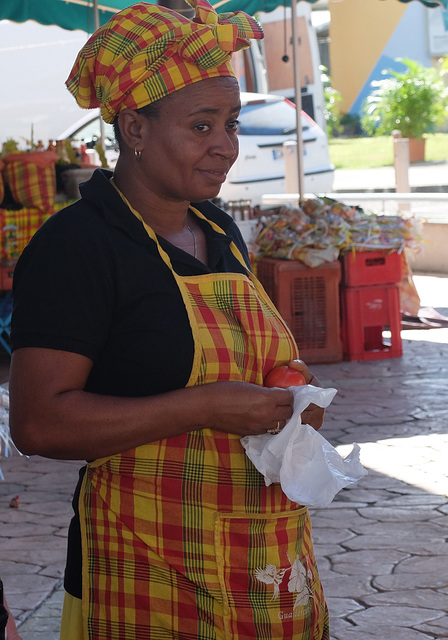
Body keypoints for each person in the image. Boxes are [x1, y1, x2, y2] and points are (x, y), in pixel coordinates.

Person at [8, 2, 329, 638]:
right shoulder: (79, 246)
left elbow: (247, 363)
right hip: (141, 565)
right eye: (201, 126)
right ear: (135, 128)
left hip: (261, 562)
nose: (226, 147)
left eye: (232, 124)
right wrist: (203, 405)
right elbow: (39, 423)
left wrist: (289, 402)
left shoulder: (217, 229)